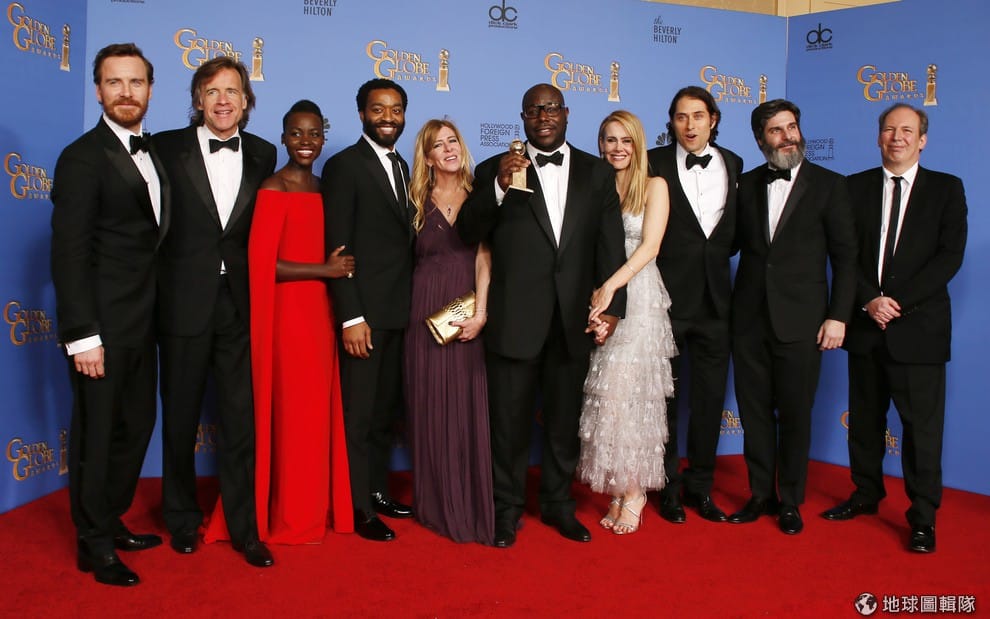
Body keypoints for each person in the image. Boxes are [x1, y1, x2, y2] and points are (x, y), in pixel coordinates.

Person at [457, 83, 627, 548]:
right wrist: (498, 187)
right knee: (508, 425)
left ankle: (557, 504)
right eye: (533, 110)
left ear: (566, 113)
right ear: (522, 119)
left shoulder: (596, 173)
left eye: (551, 108)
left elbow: (610, 245)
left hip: (573, 321)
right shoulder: (494, 169)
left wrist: (613, 308)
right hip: (515, 319)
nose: (543, 116)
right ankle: (506, 509)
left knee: (563, 424)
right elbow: (468, 231)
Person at [204, 100, 355, 544]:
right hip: (286, 315)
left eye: (314, 134)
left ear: (323, 138)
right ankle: (286, 513)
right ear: (284, 137)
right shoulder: (273, 186)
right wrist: (324, 270)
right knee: (290, 414)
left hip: (321, 314)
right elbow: (261, 263)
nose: (306, 142)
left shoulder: (326, 188)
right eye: (297, 133)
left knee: (314, 416)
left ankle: (312, 507)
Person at [821, 104, 967, 554]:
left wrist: (896, 303)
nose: (897, 137)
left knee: (921, 432)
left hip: (919, 330)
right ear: (878, 136)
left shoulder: (946, 189)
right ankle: (865, 494)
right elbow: (845, 254)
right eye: (889, 129)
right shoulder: (854, 187)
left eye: (907, 130)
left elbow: (949, 257)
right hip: (867, 326)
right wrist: (869, 299)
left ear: (922, 140)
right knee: (864, 422)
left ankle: (922, 517)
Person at [51, 42, 169, 587]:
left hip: (145, 323)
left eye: (135, 82)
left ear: (150, 89)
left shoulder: (155, 153)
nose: (126, 92)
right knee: (96, 436)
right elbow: (69, 253)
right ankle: (93, 543)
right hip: (100, 327)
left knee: (136, 426)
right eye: (114, 82)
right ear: (98, 90)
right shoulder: (81, 158)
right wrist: (82, 335)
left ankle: (110, 517)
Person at [153, 56, 277, 566]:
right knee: (180, 418)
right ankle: (181, 518)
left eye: (232, 91)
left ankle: (245, 527)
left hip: (241, 306)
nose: (223, 100)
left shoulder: (266, 153)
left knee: (240, 420)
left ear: (246, 101)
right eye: (212, 91)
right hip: (182, 301)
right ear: (198, 100)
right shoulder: (165, 147)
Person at [728, 99, 856, 535]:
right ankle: (760, 494)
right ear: (760, 139)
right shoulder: (745, 184)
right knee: (754, 413)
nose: (788, 137)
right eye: (776, 130)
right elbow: (730, 243)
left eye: (792, 127)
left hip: (803, 321)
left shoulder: (830, 186)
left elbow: (846, 259)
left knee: (797, 414)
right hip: (749, 319)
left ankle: (790, 500)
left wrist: (838, 316)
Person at [321, 79, 415, 542]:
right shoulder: (343, 166)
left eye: (396, 110)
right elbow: (338, 248)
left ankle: (376, 490)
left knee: (382, 415)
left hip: (399, 313)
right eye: (378, 109)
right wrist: (351, 317)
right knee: (357, 419)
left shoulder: (404, 165)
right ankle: (357, 507)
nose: (388, 118)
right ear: (361, 114)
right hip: (364, 317)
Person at [646, 86, 743, 524]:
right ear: (671, 122)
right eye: (681, 117)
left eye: (698, 116)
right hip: (665, 300)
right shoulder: (653, 162)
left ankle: (700, 487)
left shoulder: (735, 164)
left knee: (708, 401)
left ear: (713, 120)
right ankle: (667, 488)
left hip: (718, 304)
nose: (689, 125)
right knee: (663, 402)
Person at [577, 110, 675, 535]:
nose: (617, 148)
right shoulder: (594, 185)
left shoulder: (655, 186)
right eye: (609, 139)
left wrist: (610, 287)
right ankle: (620, 487)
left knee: (634, 398)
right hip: (601, 294)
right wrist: (596, 294)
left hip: (640, 296)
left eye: (625, 140)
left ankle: (635, 492)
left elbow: (650, 247)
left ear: (638, 144)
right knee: (609, 400)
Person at [403, 119, 494, 544]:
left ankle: (469, 502)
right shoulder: (413, 199)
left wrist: (481, 313)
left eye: (453, 140)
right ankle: (436, 502)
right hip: (423, 310)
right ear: (427, 157)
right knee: (430, 406)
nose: (449, 149)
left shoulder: (481, 194)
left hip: (468, 307)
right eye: (438, 145)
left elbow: (485, 259)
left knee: (465, 404)